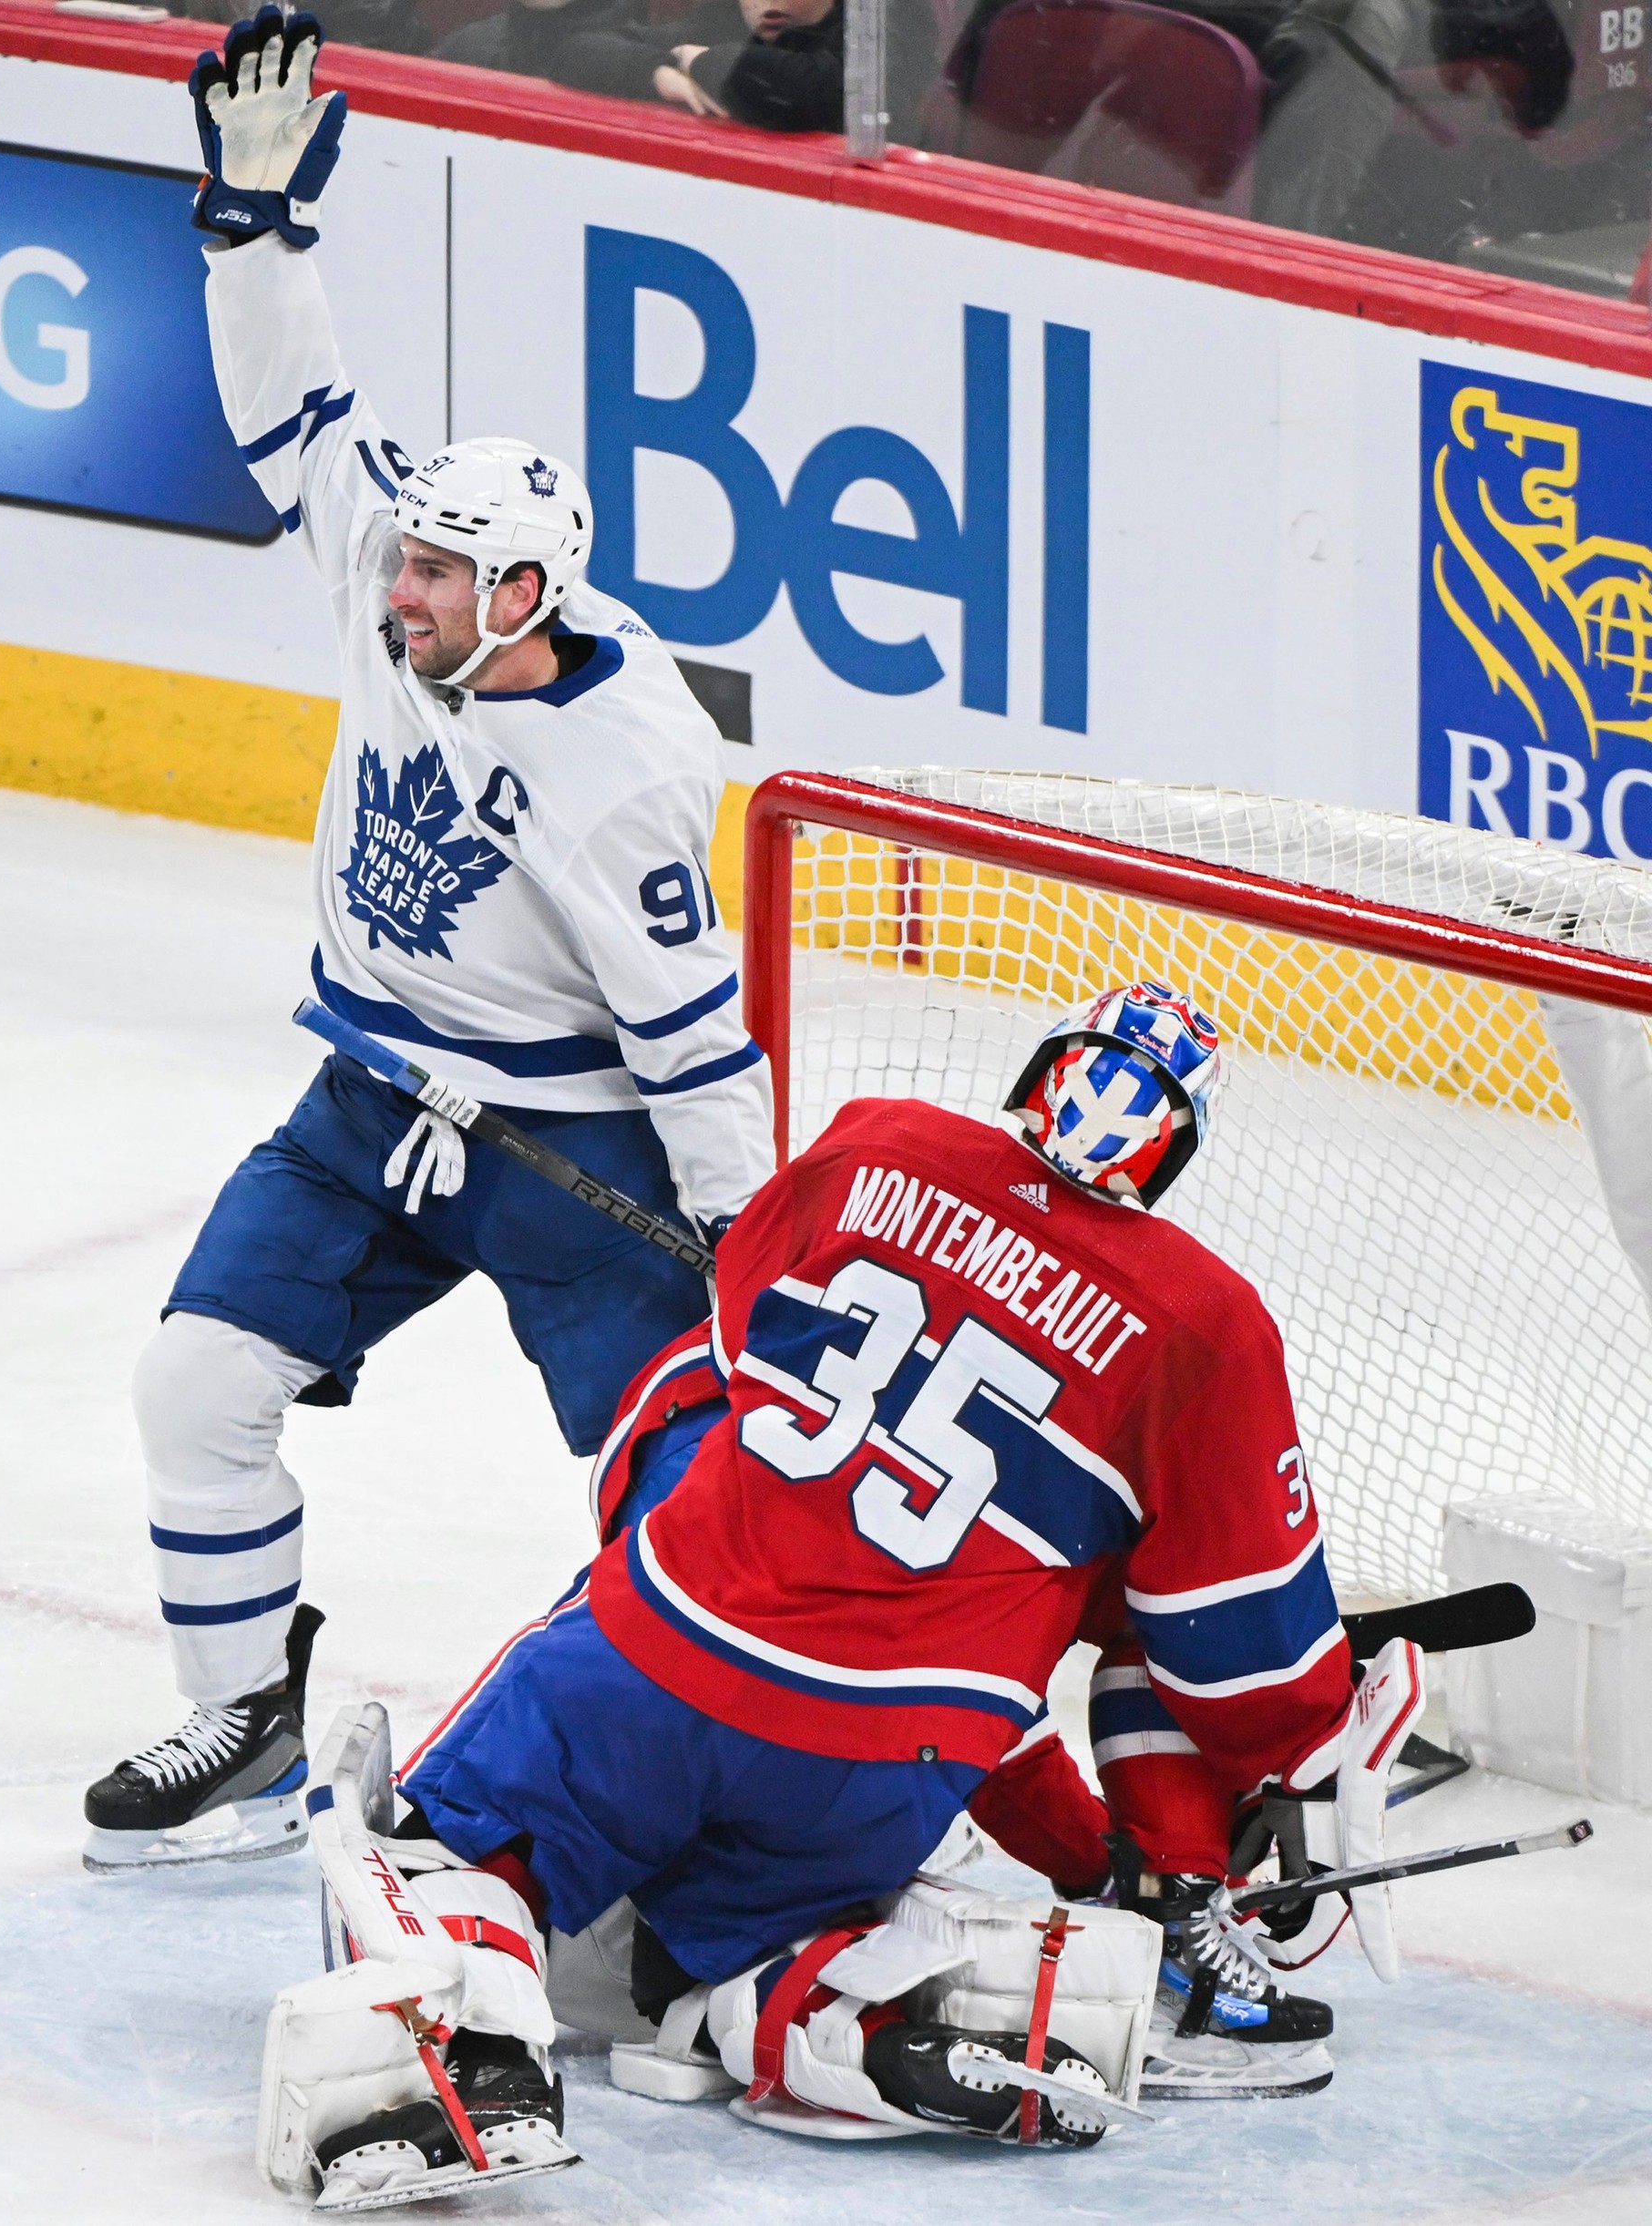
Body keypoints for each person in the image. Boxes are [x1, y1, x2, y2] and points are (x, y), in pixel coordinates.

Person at [253, 981, 1429, 2200]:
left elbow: (720, 1359)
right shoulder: (1210, 1324)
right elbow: (1248, 1662)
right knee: (754, 1923)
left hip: (657, 1662)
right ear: (1173, 1142)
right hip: (888, 1765)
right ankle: (815, 2006)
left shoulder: (873, 1141)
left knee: (455, 1846)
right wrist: (1257, 1770)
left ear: (1047, 1068)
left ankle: (466, 2042)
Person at [80, 10, 774, 1873]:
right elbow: (293, 415)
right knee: (195, 1384)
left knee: (688, 1488)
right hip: (370, 1100)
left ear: (528, 593)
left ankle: (711, 1777)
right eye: (406, 568)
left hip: (569, 1149)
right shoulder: (393, 585)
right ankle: (238, 1722)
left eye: (441, 580)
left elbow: (695, 1033)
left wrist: (742, 1233)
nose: (399, 596)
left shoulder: (626, 768)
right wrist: (250, 229)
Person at [442, 0, 939, 143]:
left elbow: (810, 95)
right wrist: (658, 71)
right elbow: (579, 52)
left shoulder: (889, 20)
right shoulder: (721, 17)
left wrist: (696, 59)